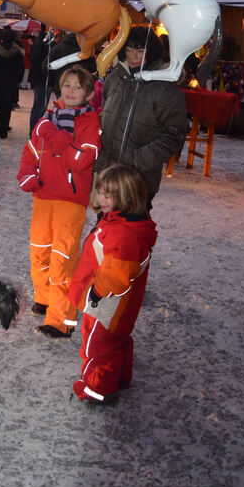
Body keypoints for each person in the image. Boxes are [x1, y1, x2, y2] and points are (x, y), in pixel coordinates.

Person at [17, 65, 101, 339]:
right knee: (39, 253)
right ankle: (44, 299)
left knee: (62, 260)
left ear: (88, 94)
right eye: (67, 86)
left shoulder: (89, 122)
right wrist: (27, 174)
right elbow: (32, 150)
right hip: (43, 197)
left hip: (70, 201)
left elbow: (82, 160)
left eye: (78, 87)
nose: (71, 91)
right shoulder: (49, 117)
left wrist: (57, 138)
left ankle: (61, 320)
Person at [68, 164, 157, 405]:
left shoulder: (123, 233)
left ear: (127, 198)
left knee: (96, 347)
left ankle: (98, 389)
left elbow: (115, 276)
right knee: (117, 340)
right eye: (99, 192)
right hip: (119, 307)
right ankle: (119, 378)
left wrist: (95, 294)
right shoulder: (123, 223)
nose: (100, 199)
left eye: (107, 196)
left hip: (106, 305)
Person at [96, 26, 187, 208]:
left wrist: (137, 160)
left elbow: (174, 135)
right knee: (106, 229)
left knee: (130, 232)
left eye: (140, 51)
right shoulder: (115, 79)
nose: (133, 56)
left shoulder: (164, 87)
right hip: (108, 174)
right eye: (129, 50)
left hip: (138, 179)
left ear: (151, 52)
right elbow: (104, 115)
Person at [0, 27, 25, 139]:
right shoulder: (17, 52)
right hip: (10, 85)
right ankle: (3, 131)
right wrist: (16, 81)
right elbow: (20, 70)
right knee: (6, 110)